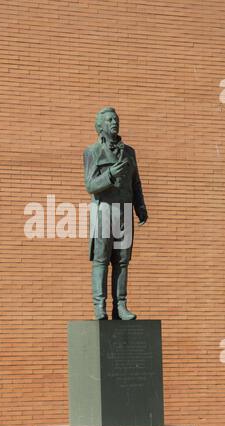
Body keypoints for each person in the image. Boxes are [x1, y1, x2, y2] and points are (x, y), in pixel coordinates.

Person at [83, 107, 148, 320]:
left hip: (124, 212)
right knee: (101, 260)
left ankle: (120, 306)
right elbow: (90, 185)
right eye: (109, 120)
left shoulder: (129, 152)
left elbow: (135, 182)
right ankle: (99, 306)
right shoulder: (93, 152)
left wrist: (140, 206)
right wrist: (110, 174)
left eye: (116, 119)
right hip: (104, 210)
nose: (114, 122)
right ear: (100, 125)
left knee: (122, 260)